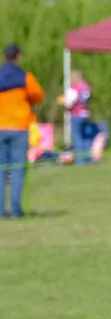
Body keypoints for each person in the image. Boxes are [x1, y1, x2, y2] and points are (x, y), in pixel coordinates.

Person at [0, 43, 43, 219]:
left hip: (0, 127)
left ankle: (1, 211)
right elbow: (38, 96)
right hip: (18, 128)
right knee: (18, 169)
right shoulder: (25, 77)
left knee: (1, 169)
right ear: (17, 57)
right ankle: (16, 210)